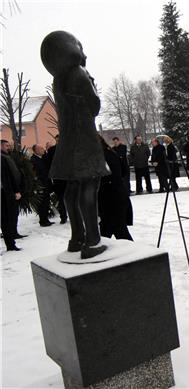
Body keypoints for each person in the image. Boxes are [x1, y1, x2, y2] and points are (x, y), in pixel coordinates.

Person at [41, 30, 109, 259]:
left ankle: (76, 237)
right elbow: (95, 106)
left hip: (69, 140)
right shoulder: (79, 73)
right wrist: (91, 81)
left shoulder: (58, 79)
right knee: (89, 186)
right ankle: (93, 240)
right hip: (85, 140)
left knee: (72, 189)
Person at [98, 136, 133, 240]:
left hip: (111, 198)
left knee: (118, 231)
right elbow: (124, 170)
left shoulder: (102, 156)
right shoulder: (111, 152)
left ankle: (134, 253)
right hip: (116, 195)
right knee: (110, 231)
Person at [1, 140, 22, 251]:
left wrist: (16, 191)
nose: (8, 147)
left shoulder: (3, 159)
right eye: (6, 145)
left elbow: (10, 176)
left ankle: (10, 244)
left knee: (6, 218)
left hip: (5, 193)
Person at [45, 135, 67, 224]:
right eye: (57, 140)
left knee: (73, 199)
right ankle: (63, 217)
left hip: (69, 178)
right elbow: (49, 164)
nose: (58, 141)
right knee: (61, 199)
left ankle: (76, 216)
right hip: (58, 179)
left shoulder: (68, 149)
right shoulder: (51, 150)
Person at [30, 144, 54, 227]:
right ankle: (43, 221)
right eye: (41, 148)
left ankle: (46, 219)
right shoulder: (33, 160)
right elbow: (34, 174)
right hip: (40, 185)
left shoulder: (42, 158)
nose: (43, 149)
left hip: (46, 184)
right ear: (36, 150)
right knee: (42, 203)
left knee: (46, 202)